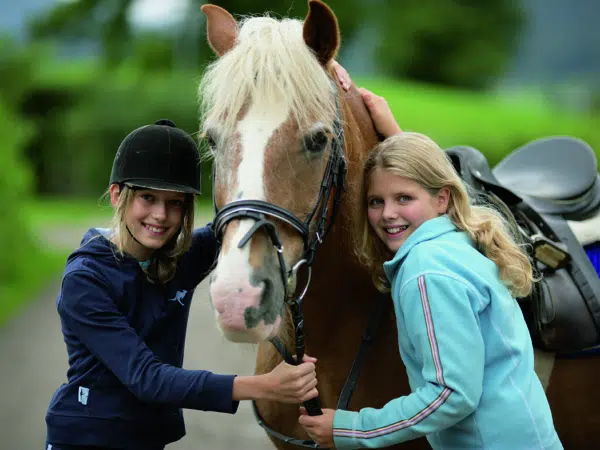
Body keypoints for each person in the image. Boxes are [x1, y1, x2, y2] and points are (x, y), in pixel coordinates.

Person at [298, 76, 563, 449]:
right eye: (376, 201)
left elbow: (451, 395)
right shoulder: (456, 245)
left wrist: (350, 429)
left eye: (404, 198)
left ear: (442, 200)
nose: (388, 214)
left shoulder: (426, 272)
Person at [45, 119, 319, 450]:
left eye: (175, 203)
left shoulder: (176, 257)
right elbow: (148, 378)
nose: (161, 215)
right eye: (147, 197)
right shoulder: (85, 280)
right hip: (87, 440)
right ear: (117, 195)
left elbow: (240, 221)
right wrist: (265, 387)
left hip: (147, 441)